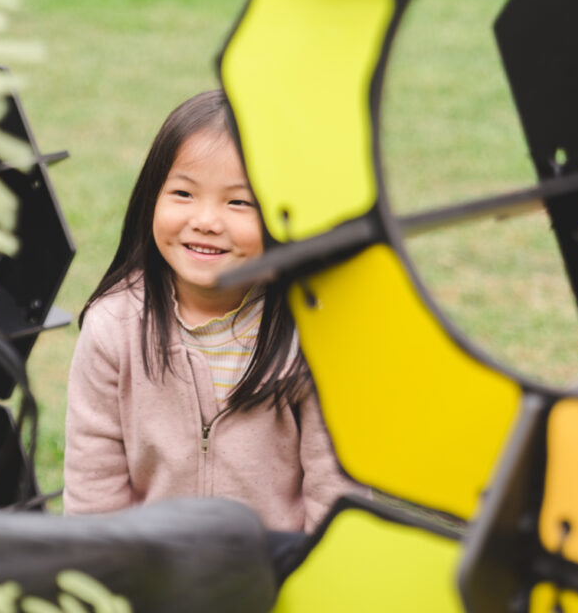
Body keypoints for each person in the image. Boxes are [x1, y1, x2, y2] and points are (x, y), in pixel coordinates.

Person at [64, 90, 366, 534]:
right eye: (183, 193)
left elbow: (337, 494)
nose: (206, 220)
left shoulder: (313, 334)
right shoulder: (114, 328)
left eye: (239, 202)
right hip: (153, 577)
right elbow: (94, 488)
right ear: (151, 197)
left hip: (277, 578)